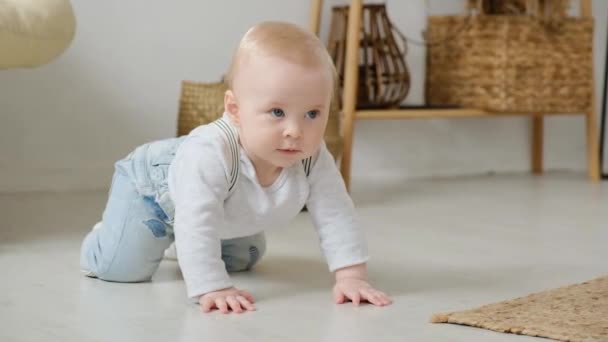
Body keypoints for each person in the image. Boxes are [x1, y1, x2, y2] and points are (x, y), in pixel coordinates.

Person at [80, 21, 392, 314]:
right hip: (152, 190)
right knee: (123, 269)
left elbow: (336, 212)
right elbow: (196, 219)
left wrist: (352, 276)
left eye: (312, 114)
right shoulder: (211, 153)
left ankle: (183, 247)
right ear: (235, 110)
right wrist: (211, 287)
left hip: (224, 213)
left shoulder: (311, 156)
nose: (295, 131)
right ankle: (110, 236)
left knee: (243, 260)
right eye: (277, 112)